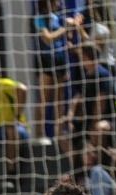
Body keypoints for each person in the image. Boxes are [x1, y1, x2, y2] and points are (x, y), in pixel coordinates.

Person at [33, 0, 73, 139]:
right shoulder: (39, 18)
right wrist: (64, 29)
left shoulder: (57, 17)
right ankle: (40, 133)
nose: (59, 3)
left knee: (59, 100)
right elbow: (47, 38)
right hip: (46, 62)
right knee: (44, 99)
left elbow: (64, 41)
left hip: (60, 60)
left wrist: (69, 33)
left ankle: (59, 133)